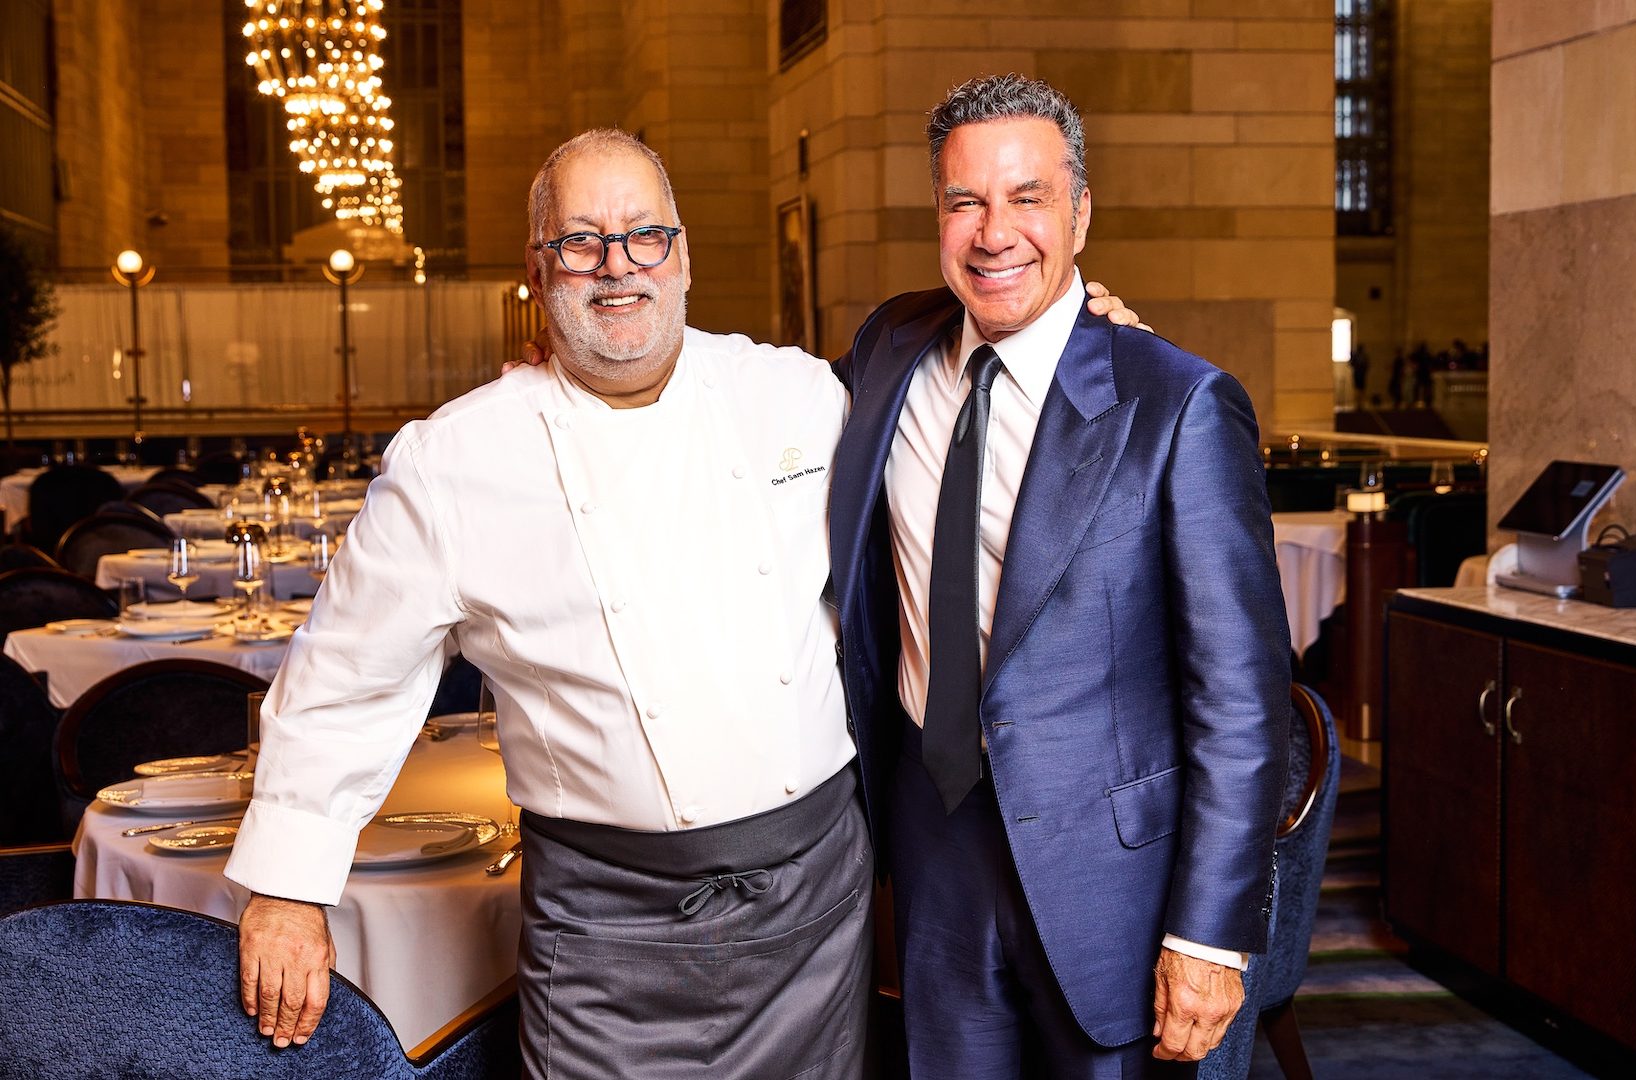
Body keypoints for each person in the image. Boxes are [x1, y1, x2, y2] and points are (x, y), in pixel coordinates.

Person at [229, 128, 1142, 1076]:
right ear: (537, 273)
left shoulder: (799, 395)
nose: (617, 265)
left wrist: (1077, 333)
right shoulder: (454, 461)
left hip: (815, 910)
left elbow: (974, 404)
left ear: (684, 256)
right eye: (579, 242)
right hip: (604, 931)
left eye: (645, 235)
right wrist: (289, 888)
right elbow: (344, 680)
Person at [828, 75, 1290, 1077]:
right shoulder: (886, 351)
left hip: (1113, 882)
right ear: (938, 216)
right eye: (965, 202)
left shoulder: (1178, 403)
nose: (994, 233)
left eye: (1027, 198)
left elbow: (1241, 699)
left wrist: (1210, 938)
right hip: (934, 844)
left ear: (1080, 214)